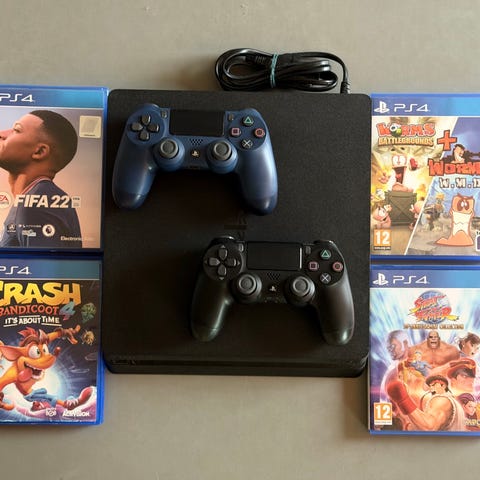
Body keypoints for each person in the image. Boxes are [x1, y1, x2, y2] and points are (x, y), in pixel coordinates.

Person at [0, 110, 82, 248]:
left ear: (39, 152)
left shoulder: (36, 203)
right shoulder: (37, 198)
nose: (2, 133)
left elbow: (44, 262)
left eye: (16, 130)